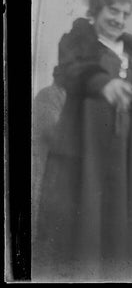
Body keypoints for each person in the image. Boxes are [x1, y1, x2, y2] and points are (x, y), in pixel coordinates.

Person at [34, 0, 132, 282]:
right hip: (85, 151)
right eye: (113, 11)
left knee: (117, 228)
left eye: (125, 14)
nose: (119, 19)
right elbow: (71, 71)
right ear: (97, 11)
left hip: (124, 154)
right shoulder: (79, 43)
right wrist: (102, 83)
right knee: (84, 225)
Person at [31, 69, 66, 245]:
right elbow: (54, 135)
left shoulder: (64, 96)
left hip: (56, 166)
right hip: (43, 162)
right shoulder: (47, 95)